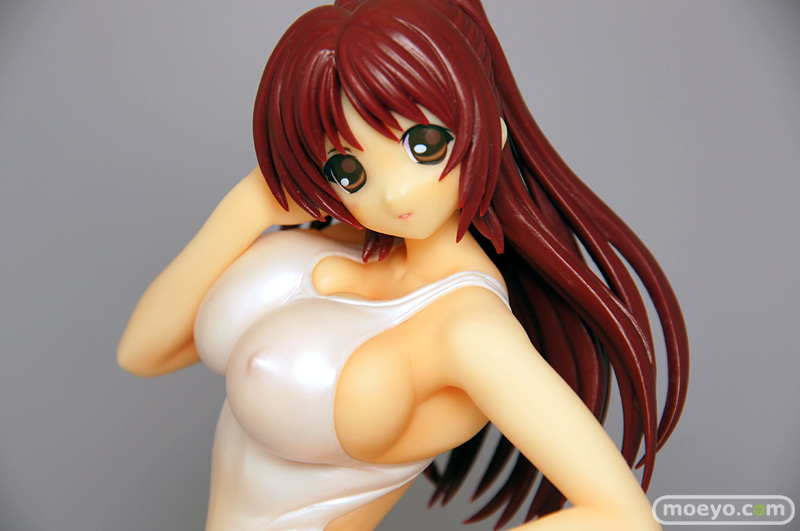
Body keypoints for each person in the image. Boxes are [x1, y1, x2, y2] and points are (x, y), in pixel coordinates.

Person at [118, 0, 689, 529]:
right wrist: (247, 205)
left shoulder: (469, 329)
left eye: (423, 145)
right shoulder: (342, 238)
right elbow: (143, 353)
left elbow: (622, 518)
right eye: (349, 170)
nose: (392, 194)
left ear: (487, 128)